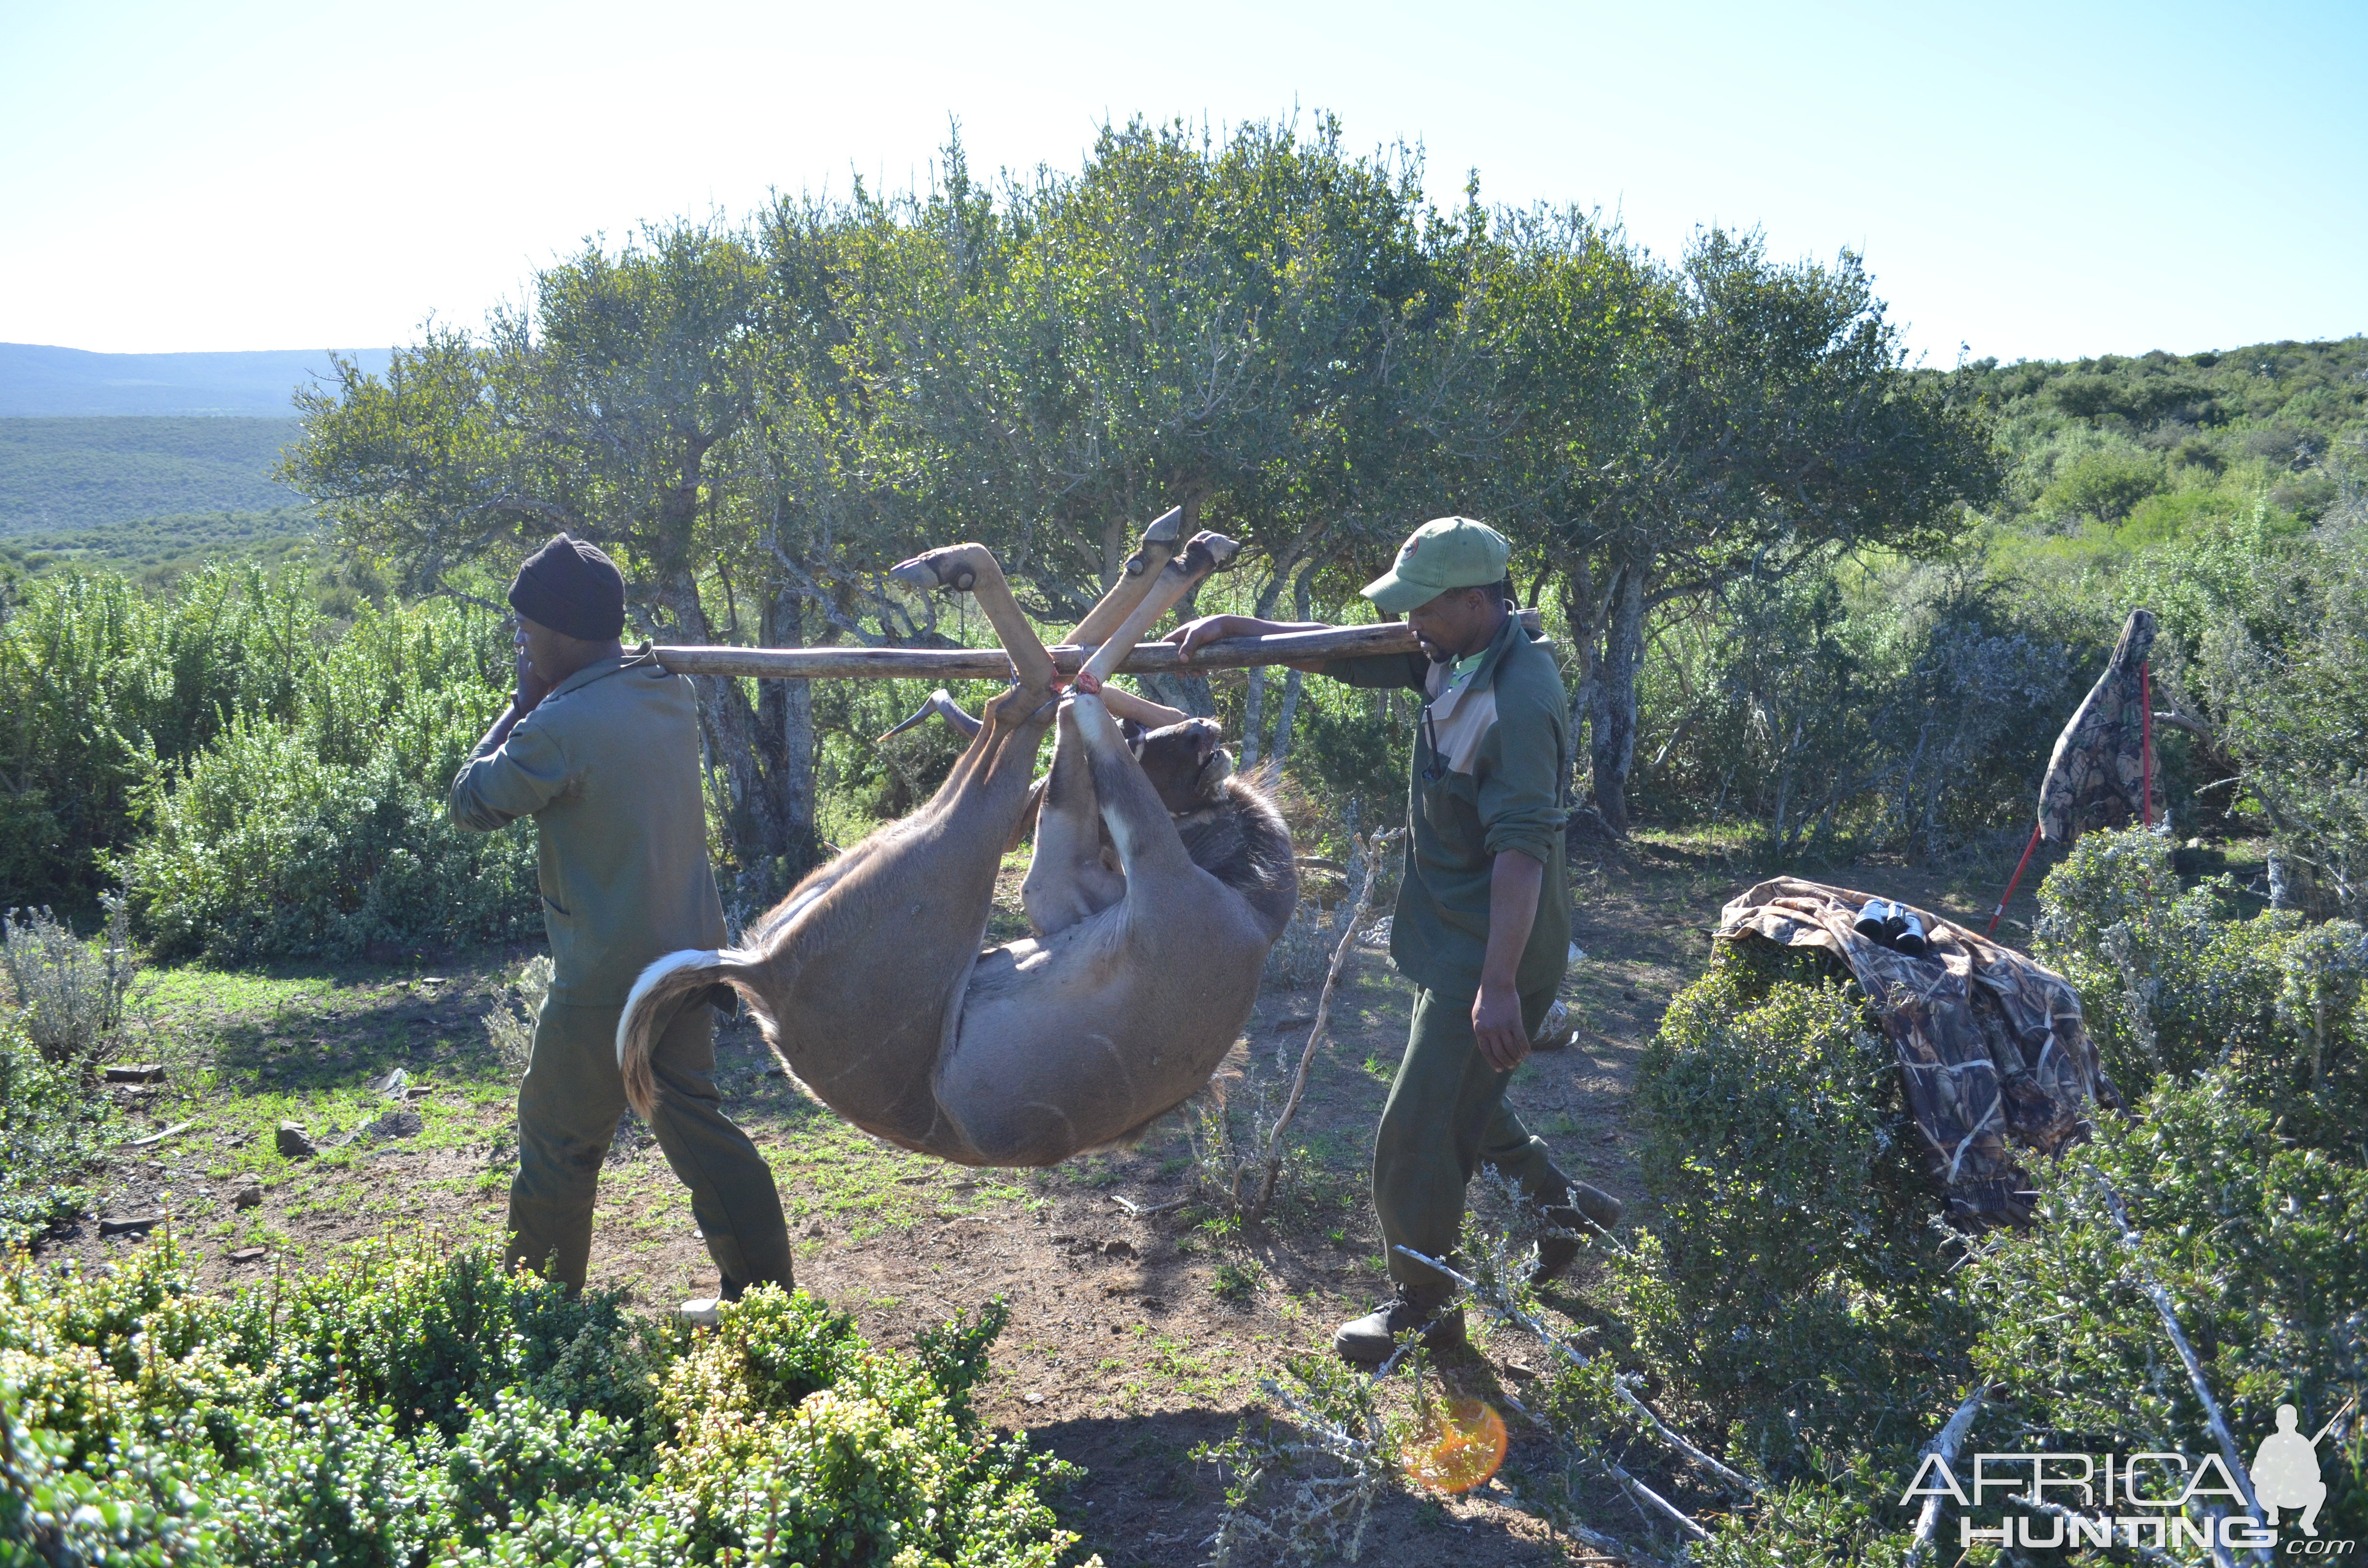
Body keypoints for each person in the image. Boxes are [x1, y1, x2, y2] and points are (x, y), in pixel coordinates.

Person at [1170, 515, 1623, 1363]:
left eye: (1424, 606)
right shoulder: (1454, 652)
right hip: (1446, 931)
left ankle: (1423, 1305)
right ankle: (1563, 1214)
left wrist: (1496, 986)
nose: (1410, 620)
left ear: (1477, 599)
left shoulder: (1517, 701)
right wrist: (1244, 633)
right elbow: (1349, 652)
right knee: (1463, 1104)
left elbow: (1522, 852)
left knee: (1415, 1133)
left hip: (1493, 946)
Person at [451, 533, 794, 1301]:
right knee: (699, 1132)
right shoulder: (666, 686)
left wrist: (518, 705)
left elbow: (470, 801)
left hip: (605, 976)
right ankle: (767, 1303)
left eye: (527, 628)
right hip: (688, 956)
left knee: (557, 1148)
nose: (519, 639)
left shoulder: (558, 725)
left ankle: (543, 1323)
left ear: (567, 633)